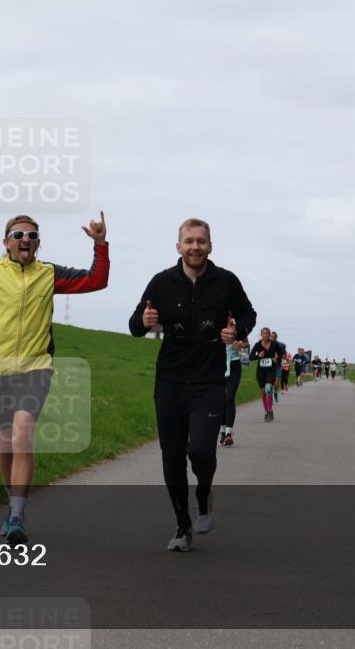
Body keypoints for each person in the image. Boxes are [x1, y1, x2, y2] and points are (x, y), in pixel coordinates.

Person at [0, 211, 109, 545]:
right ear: (6, 243)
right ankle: (11, 498)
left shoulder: (50, 275)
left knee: (23, 431)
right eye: (18, 235)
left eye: (31, 235)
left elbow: (95, 281)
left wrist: (100, 245)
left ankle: (16, 513)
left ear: (38, 242)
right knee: (4, 442)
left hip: (35, 367)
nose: (24, 240)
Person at [129, 218, 256, 552]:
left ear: (210, 246)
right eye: (189, 241)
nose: (195, 246)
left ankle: (203, 495)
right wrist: (143, 322)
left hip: (209, 381)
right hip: (170, 381)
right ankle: (182, 524)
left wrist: (237, 331)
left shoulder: (226, 281)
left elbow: (248, 315)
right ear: (178, 246)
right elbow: (135, 325)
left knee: (200, 450)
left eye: (201, 241)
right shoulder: (161, 282)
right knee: (171, 456)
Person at [219, 335, 249, 446]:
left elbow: (246, 344)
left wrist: (241, 344)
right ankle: (222, 432)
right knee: (221, 400)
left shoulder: (239, 327)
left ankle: (228, 433)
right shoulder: (216, 323)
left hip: (234, 364)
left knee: (229, 398)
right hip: (218, 365)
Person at [249, 328, 281, 422]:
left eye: (267, 333)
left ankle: (270, 409)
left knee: (268, 389)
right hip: (261, 371)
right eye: (264, 333)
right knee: (263, 394)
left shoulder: (274, 344)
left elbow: (281, 355)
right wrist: (258, 356)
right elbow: (251, 357)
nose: (265, 335)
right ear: (261, 334)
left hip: (271, 370)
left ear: (269, 334)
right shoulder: (257, 345)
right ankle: (267, 412)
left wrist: (276, 359)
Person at [271, 331, 287, 401]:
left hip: (277, 364)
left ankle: (275, 392)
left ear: (276, 337)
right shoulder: (266, 344)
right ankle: (269, 394)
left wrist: (278, 356)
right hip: (269, 365)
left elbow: (284, 355)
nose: (273, 337)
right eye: (271, 336)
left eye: (274, 336)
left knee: (276, 381)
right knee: (269, 381)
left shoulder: (281, 345)